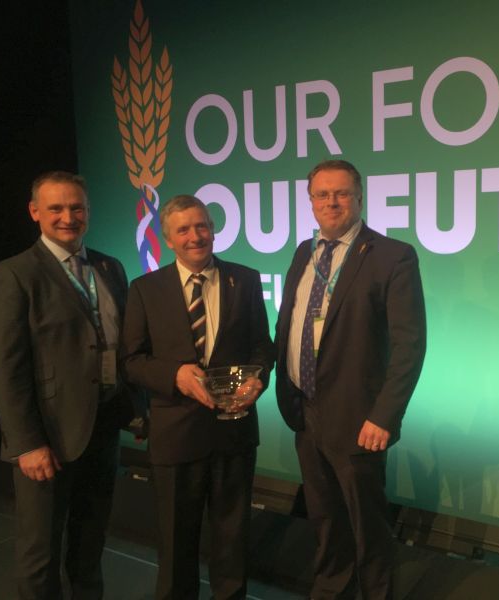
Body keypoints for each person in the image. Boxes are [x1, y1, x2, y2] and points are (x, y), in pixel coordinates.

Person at [275, 159, 427, 599]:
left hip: (360, 420)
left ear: (359, 197)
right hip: (306, 411)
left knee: (368, 528)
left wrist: (384, 416)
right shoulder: (304, 252)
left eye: (340, 193)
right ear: (310, 201)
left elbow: (409, 346)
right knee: (324, 520)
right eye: (321, 194)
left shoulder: (391, 256)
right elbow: (291, 324)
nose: (331, 202)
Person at [0, 171, 137, 599]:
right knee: (40, 555)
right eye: (56, 208)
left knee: (90, 547)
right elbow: (3, 367)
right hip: (45, 439)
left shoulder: (109, 266)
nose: (68, 216)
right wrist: (26, 443)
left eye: (77, 207)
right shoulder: (13, 274)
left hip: (102, 429)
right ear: (35, 212)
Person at [121, 194, 274, 600]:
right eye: (184, 229)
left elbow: (263, 347)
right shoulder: (144, 289)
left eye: (202, 225)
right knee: (175, 547)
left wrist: (258, 380)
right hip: (175, 435)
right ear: (168, 239)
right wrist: (174, 374)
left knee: (232, 543)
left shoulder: (245, 279)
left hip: (234, 432)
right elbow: (131, 361)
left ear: (213, 228)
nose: (195, 236)